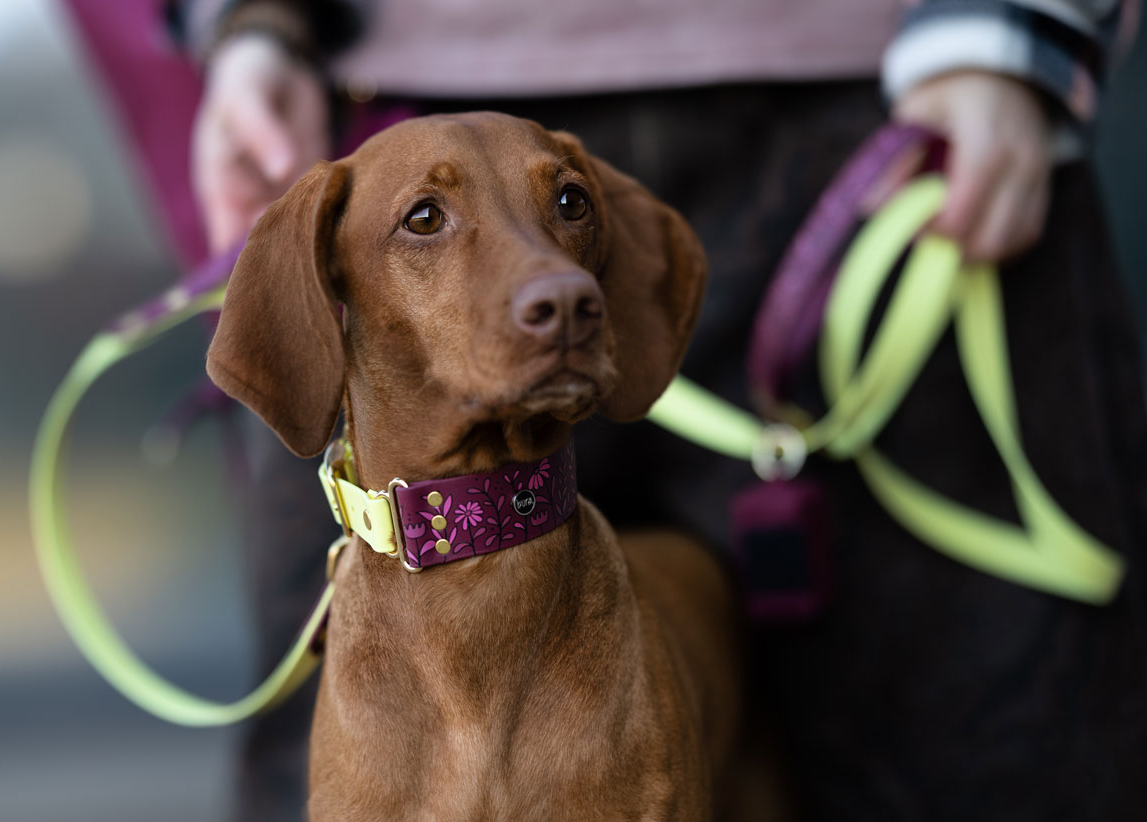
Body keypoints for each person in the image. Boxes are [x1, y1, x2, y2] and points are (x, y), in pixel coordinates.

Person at [175, 1, 1147, 819]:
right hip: (383, 82)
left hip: (887, 105)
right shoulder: (353, 203)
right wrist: (252, 22)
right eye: (428, 223)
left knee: (988, 757)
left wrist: (1015, 26)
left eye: (564, 218)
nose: (555, 285)